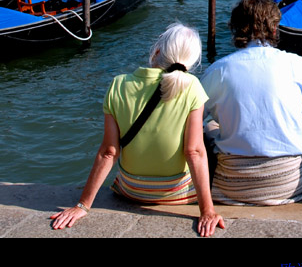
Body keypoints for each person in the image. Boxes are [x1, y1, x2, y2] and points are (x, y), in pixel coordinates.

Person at [51, 23, 224, 237]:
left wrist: (83, 205)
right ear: (190, 62)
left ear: (157, 51)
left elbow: (109, 152)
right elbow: (194, 152)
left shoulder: (118, 85)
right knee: (209, 133)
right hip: (178, 195)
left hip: (131, 191)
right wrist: (207, 211)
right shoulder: (192, 86)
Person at [201, 0, 302, 205]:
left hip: (232, 186)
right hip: (288, 184)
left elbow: (193, 114)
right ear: (275, 28)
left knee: (207, 125)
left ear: (235, 28)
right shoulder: (294, 63)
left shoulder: (218, 69)